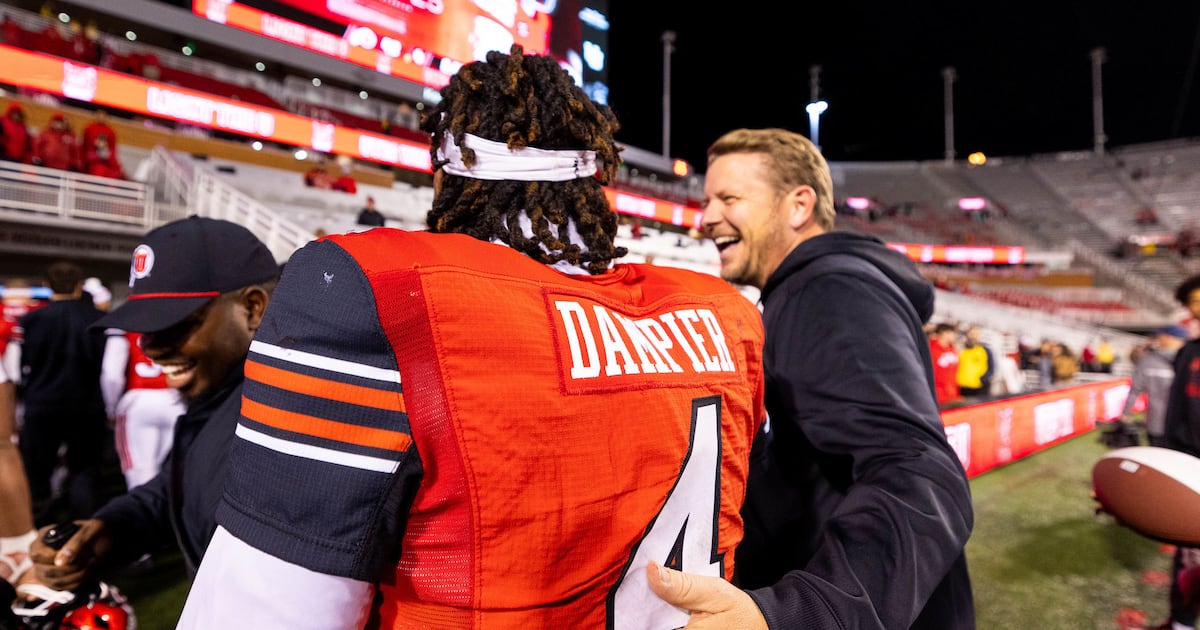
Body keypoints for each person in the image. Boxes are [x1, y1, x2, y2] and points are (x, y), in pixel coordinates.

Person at [177, 45, 766, 629]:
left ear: (446, 175)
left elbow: (270, 608)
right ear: (594, 179)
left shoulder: (383, 293)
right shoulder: (724, 312)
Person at [648, 127, 975, 629]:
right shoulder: (809, 288)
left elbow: (920, 472)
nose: (707, 217)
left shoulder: (828, 290)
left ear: (799, 206)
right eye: (708, 200)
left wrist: (807, 613)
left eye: (729, 199)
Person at [28, 216, 279, 591]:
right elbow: (182, 487)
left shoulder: (287, 418)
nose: (150, 346)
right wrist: (111, 529)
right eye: (146, 326)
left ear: (253, 309)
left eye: (177, 323)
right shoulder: (225, 393)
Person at [13, 261, 108, 526]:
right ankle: (80, 533)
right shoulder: (97, 319)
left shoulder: (31, 320)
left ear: (47, 285)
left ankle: (42, 530)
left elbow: (18, 368)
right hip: (87, 406)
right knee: (84, 471)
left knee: (37, 474)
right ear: (79, 286)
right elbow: (110, 370)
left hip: (41, 405)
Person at [1158, 274, 1200, 630]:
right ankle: (1182, 622)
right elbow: (1177, 411)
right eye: (1194, 302)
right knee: (1189, 550)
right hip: (1190, 460)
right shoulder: (1188, 352)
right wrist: (1170, 454)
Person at [99, 328, 186, 490]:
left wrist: (111, 407)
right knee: (165, 471)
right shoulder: (172, 324)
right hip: (174, 401)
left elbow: (111, 375)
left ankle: (147, 505)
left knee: (140, 474)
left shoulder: (123, 328)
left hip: (137, 401)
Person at [1117, 325, 1188, 448]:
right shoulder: (1191, 360)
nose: (1158, 339)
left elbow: (1134, 390)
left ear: (1168, 338)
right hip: (1184, 428)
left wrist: (1126, 413)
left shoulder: (1148, 360)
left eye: (1160, 336)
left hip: (1156, 425)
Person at [956, 324, 994, 399]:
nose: (973, 336)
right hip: (963, 386)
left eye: (976, 334)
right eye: (971, 334)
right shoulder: (961, 349)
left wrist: (982, 379)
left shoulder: (985, 350)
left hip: (979, 387)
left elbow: (991, 368)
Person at [929, 322, 961, 407]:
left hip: (952, 395)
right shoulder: (931, 350)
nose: (955, 336)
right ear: (944, 333)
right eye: (952, 333)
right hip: (937, 396)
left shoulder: (952, 350)